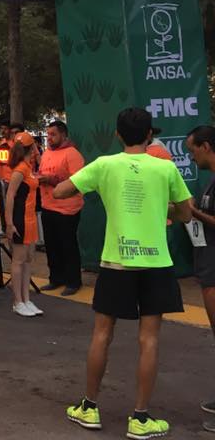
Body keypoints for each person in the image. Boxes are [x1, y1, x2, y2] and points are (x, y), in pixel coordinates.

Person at [55, 108, 192, 439]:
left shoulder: (104, 165)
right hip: (156, 264)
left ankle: (89, 408)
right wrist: (162, 208)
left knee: (102, 334)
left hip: (116, 262)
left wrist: (99, 189)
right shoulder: (165, 167)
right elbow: (186, 214)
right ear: (149, 135)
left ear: (117, 135)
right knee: (149, 339)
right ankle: (141, 418)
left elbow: (60, 191)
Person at [184, 125, 215, 433]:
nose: (191, 157)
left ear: (206, 146)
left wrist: (194, 212)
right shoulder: (209, 181)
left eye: (193, 150)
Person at [38, 120, 86, 296]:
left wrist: (52, 180)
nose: (49, 138)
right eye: (48, 134)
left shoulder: (72, 154)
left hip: (67, 210)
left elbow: (77, 182)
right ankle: (56, 278)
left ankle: (73, 281)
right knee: (52, 246)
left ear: (64, 135)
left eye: (53, 134)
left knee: (68, 246)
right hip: (48, 206)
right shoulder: (46, 153)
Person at [5, 132, 43, 318]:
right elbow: (10, 196)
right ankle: (17, 301)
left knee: (27, 259)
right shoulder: (20, 170)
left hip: (30, 218)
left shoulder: (27, 168)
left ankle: (26, 299)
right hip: (21, 219)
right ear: (31, 148)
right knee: (19, 260)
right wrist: (9, 223)